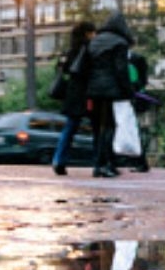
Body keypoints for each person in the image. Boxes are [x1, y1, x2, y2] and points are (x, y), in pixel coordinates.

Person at [84, 12, 136, 178]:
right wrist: (128, 91)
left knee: (99, 128)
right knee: (109, 127)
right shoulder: (120, 43)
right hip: (110, 89)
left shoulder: (95, 41)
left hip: (92, 88)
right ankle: (103, 165)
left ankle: (101, 164)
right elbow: (121, 70)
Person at [52, 21, 98, 176]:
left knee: (70, 128)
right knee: (97, 129)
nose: (95, 35)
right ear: (87, 33)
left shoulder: (69, 51)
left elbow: (61, 69)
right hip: (88, 94)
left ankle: (59, 160)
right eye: (93, 32)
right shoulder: (90, 49)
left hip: (72, 94)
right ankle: (99, 162)